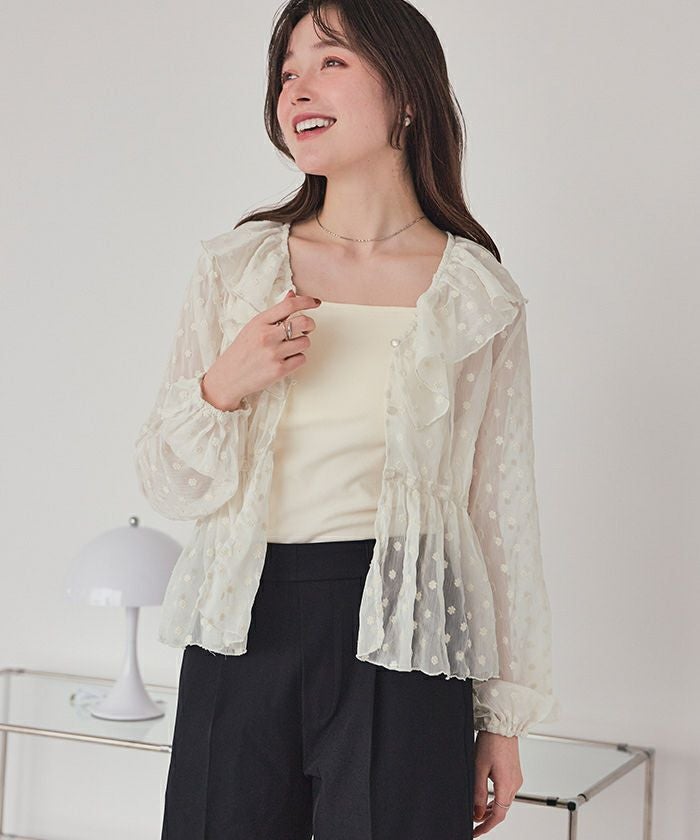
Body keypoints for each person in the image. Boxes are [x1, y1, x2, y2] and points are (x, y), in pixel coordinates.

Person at [134, 1, 559, 838]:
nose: (297, 88)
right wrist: (225, 383)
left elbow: (501, 513)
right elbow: (167, 482)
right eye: (287, 71)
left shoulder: (476, 294)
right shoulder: (239, 269)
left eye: (330, 61)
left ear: (408, 94)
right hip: (243, 623)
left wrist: (502, 717)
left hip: (407, 628)